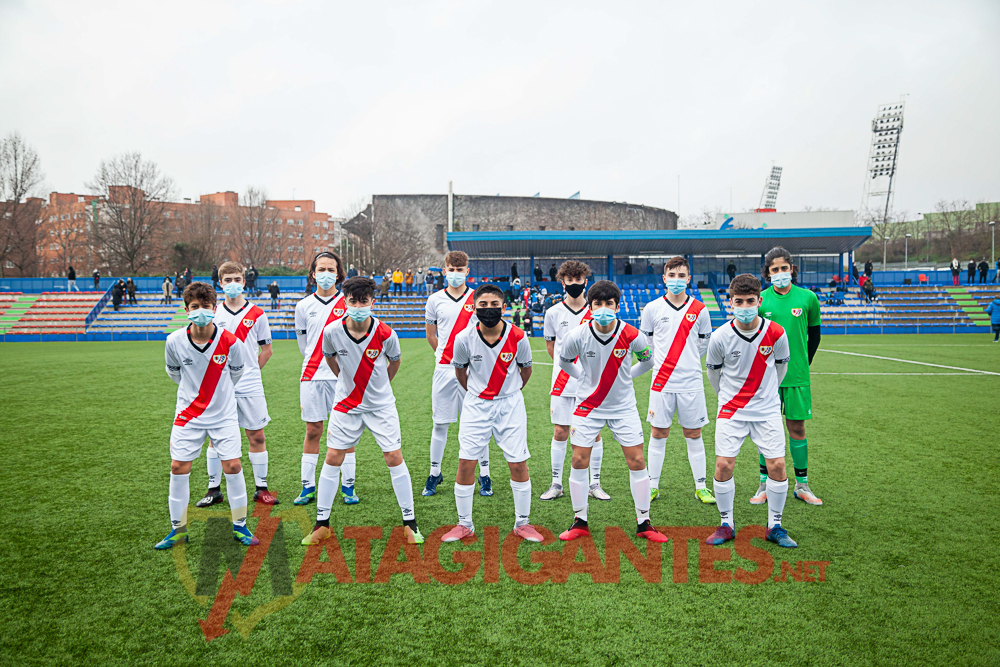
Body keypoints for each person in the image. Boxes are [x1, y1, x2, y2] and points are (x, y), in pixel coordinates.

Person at [302, 276, 424, 546]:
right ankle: (322, 524)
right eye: (352, 301)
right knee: (333, 456)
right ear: (345, 301)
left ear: (372, 302)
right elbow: (331, 359)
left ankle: (410, 523)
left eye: (363, 301)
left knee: (393, 457)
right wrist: (348, 384)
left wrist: (378, 387)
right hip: (346, 405)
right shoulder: (332, 331)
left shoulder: (386, 334)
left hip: (381, 406)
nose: (358, 305)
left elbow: (394, 363)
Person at [555, 280, 668, 544]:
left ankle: (644, 523)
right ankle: (579, 521)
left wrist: (627, 375)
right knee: (579, 460)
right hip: (587, 407)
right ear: (590, 307)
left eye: (608, 304)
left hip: (623, 407)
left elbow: (648, 361)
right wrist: (581, 376)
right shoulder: (578, 335)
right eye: (598, 304)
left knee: (637, 461)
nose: (603, 309)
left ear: (617, 306)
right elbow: (563, 361)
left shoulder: (631, 334)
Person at [154, 281, 257, 549]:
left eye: (206, 306)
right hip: (188, 415)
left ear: (215, 308)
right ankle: (178, 529)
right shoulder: (174, 341)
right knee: (178, 467)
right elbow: (174, 373)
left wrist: (216, 397)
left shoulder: (230, 341)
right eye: (195, 307)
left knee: (233, 466)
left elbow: (236, 373)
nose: (201, 311)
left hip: (223, 415)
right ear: (186, 309)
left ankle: (240, 526)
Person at [441, 284, 543, 544]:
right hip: (476, 404)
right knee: (466, 462)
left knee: (518, 462)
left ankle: (523, 523)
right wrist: (478, 393)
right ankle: (464, 524)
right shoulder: (464, 338)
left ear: (504, 307)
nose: (488, 310)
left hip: (510, 405)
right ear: (474, 308)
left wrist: (508, 393)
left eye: (494, 305)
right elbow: (460, 373)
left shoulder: (519, 337)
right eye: (482, 305)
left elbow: (525, 371)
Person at [705, 273, 797, 549]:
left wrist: (766, 395)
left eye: (750, 301)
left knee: (777, 466)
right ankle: (726, 524)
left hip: (767, 411)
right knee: (723, 465)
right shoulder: (720, 336)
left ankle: (775, 526)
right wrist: (729, 398)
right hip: (732, 410)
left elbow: (781, 368)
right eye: (739, 301)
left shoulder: (776, 333)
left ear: (759, 300)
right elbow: (714, 375)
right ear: (730, 302)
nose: (744, 306)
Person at [196, 261, 278, 509]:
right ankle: (214, 489)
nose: (233, 284)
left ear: (244, 281)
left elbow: (267, 350)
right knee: (215, 438)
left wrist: (249, 372)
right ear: (220, 284)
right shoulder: (213, 314)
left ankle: (261, 489)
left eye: (237, 279)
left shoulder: (258, 314)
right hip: (219, 385)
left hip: (250, 384)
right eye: (227, 280)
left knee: (257, 435)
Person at [639, 256, 716, 505]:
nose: (676, 280)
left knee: (693, 433)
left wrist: (688, 360)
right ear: (664, 278)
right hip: (661, 381)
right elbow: (646, 344)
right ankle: (652, 485)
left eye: (681, 276)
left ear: (688, 279)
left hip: (691, 382)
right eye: (671, 276)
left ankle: (701, 487)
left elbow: (704, 343)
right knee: (658, 433)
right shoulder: (651, 308)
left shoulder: (700, 309)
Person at [756, 247, 823, 507]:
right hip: (767, 379)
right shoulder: (760, 300)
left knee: (797, 428)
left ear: (792, 269)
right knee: (765, 431)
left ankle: (802, 485)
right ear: (768, 273)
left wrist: (804, 364)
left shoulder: (808, 298)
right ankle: (764, 485)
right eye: (775, 270)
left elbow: (815, 336)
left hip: (796, 376)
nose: (781, 273)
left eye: (784, 268)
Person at [422, 250, 490, 496]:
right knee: (440, 424)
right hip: (443, 369)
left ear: (467, 272)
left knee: (477, 423)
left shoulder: (478, 298)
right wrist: (443, 354)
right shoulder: (434, 299)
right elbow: (431, 334)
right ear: (444, 271)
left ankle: (485, 474)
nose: (455, 274)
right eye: (451, 270)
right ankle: (434, 473)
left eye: (460, 270)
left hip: (472, 371)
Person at [540, 260, 608, 502]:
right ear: (563, 282)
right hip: (562, 383)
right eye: (570, 281)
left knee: (594, 434)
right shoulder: (552, 313)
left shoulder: (596, 313)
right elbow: (552, 347)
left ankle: (595, 484)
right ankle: (556, 483)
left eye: (579, 280)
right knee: (560, 432)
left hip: (591, 385)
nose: (574, 284)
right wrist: (568, 368)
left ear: (585, 282)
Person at [294, 252, 355, 506]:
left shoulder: (349, 303)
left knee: (345, 433)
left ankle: (348, 486)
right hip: (311, 375)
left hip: (342, 376)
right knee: (313, 430)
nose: (326, 273)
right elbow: (304, 343)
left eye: (331, 269)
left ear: (339, 274)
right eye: (321, 269)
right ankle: (308, 486)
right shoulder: (303, 306)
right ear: (313, 273)